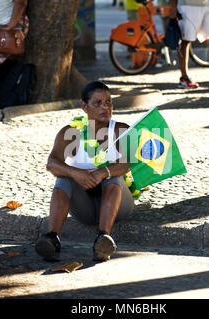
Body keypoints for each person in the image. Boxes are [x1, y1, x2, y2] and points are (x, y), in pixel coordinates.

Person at [35, 81, 135, 262]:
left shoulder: (120, 129)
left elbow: (127, 164)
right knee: (63, 179)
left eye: (109, 102)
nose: (105, 107)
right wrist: (75, 173)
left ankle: (103, 238)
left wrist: (102, 172)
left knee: (115, 177)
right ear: (84, 106)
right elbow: (52, 163)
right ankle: (52, 238)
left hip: (119, 205)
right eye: (98, 103)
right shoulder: (70, 133)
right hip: (85, 210)